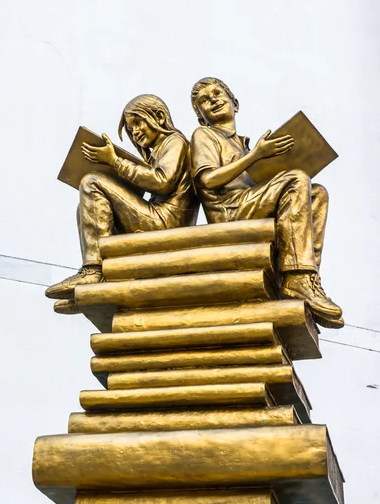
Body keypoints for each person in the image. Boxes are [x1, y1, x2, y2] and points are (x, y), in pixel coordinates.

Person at [190, 76, 343, 329]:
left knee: (317, 193)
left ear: (234, 103)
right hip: (230, 210)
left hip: (251, 204)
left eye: (218, 93)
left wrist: (266, 159)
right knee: (295, 178)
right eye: (204, 101)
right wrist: (257, 156)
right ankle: (298, 277)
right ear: (200, 117)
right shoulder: (204, 135)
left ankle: (308, 276)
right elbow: (207, 180)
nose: (213, 100)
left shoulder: (244, 146)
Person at [46, 94, 199, 304]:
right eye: (130, 129)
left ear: (160, 117)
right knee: (87, 207)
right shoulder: (160, 151)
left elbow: (163, 181)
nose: (135, 132)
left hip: (165, 222)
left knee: (92, 182)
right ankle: (102, 284)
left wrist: (115, 162)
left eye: (138, 123)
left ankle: (93, 272)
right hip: (157, 218)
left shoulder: (176, 142)